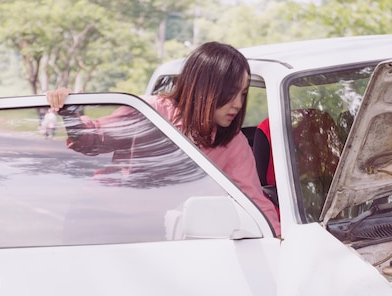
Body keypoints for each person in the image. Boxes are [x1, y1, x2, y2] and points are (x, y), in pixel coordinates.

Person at [46, 42, 281, 236]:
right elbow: (92, 139)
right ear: (206, 88)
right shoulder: (151, 112)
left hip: (149, 227)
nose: (238, 104)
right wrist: (68, 111)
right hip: (95, 215)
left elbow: (255, 201)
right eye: (231, 94)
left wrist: (281, 239)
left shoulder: (233, 144)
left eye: (243, 94)